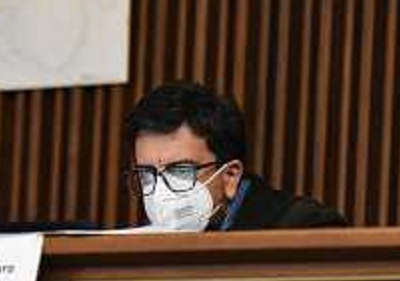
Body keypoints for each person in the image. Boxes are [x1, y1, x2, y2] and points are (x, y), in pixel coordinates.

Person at [124, 81, 347, 231]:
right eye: (146, 175)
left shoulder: (306, 228)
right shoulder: (143, 245)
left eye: (181, 171)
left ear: (230, 175)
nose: (161, 193)